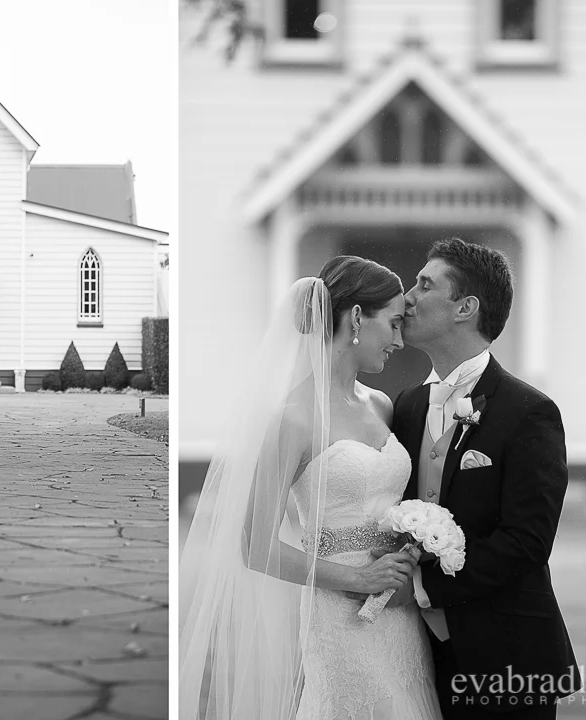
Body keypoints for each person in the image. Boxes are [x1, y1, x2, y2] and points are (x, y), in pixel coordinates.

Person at [180, 256, 441, 720]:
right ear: (357, 317)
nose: (400, 341)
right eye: (394, 323)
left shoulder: (381, 405)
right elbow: (256, 547)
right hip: (339, 616)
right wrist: (360, 579)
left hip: (398, 611)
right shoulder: (293, 418)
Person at [391, 237, 580, 718]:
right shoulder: (407, 406)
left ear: (465, 308)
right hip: (413, 654)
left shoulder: (529, 411)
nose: (407, 297)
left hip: (506, 656)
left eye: (424, 285)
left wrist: (424, 587)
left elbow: (528, 541)